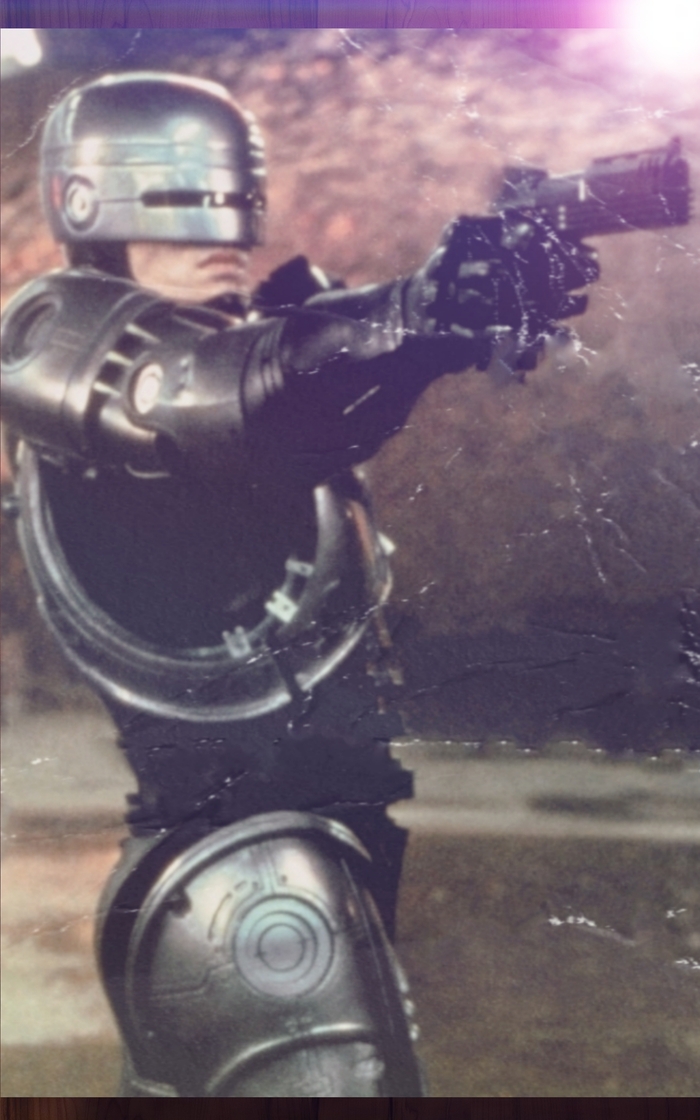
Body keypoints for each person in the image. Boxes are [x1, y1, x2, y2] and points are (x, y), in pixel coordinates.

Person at [0, 72, 598, 1097]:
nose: (221, 231)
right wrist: (415, 312)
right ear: (90, 206)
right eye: (180, 198)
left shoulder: (256, 350)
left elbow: (304, 373)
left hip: (303, 848)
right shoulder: (54, 343)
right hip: (243, 869)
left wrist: (446, 320)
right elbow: (235, 394)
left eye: (235, 199)